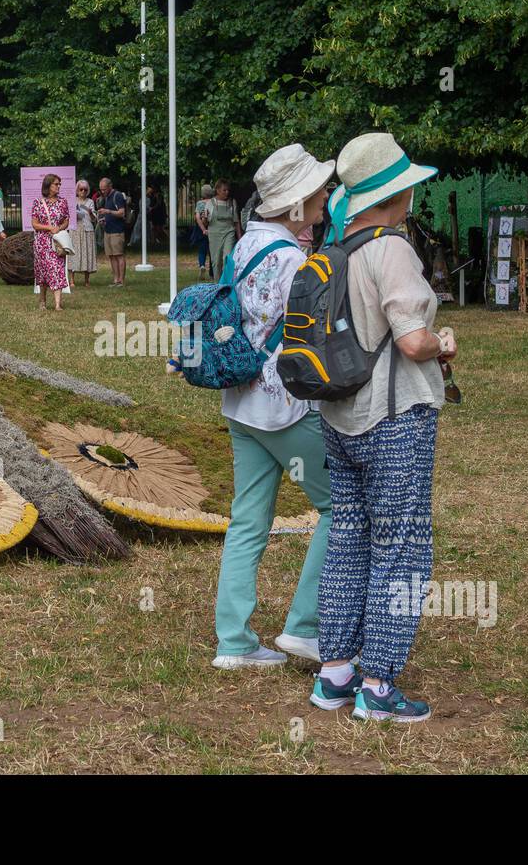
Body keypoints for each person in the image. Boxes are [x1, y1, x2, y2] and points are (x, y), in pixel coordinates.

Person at [309, 132, 451, 723]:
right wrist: (443, 343)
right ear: (398, 193)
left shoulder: (337, 248)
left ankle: (334, 673)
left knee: (349, 537)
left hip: (340, 417)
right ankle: (379, 686)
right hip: (395, 419)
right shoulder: (391, 249)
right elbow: (413, 338)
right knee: (402, 548)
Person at [212, 144, 336, 670]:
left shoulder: (243, 247)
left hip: (241, 404)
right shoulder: (294, 261)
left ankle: (234, 641)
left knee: (246, 522)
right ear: (295, 206)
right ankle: (305, 628)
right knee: (342, 508)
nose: (324, 199)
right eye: (317, 194)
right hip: (286, 407)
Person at [30, 173, 70, 310]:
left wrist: (59, 228)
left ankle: (58, 304)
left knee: (57, 269)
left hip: (57, 242)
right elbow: (34, 224)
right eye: (56, 184)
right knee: (43, 271)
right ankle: (42, 300)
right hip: (42, 242)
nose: (59, 186)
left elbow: (66, 220)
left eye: (60, 184)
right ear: (48, 185)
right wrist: (49, 227)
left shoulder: (63, 202)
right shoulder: (38, 202)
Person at [96, 177, 127, 287]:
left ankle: (121, 281)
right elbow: (111, 214)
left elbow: (122, 213)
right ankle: (115, 280)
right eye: (101, 189)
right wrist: (104, 219)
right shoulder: (107, 197)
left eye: (104, 189)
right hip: (108, 230)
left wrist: (107, 211)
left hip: (117, 231)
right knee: (111, 256)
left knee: (119, 255)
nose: (102, 191)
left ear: (110, 186)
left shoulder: (117, 196)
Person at [204, 179, 240, 271]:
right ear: (218, 190)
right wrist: (204, 218)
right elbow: (206, 223)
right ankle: (218, 284)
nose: (227, 192)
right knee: (216, 262)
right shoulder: (210, 203)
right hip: (214, 234)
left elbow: (236, 221)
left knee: (227, 259)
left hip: (229, 233)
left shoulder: (232, 202)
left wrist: (240, 237)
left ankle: (226, 283)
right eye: (224, 190)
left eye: (228, 190)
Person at [69, 179, 98, 286]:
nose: (83, 192)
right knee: (73, 254)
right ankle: (72, 280)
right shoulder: (72, 201)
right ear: (77, 190)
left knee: (87, 253)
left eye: (85, 190)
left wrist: (90, 213)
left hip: (87, 230)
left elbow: (94, 219)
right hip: (75, 230)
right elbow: (67, 216)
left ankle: (87, 280)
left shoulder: (90, 202)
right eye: (81, 189)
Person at [192, 183, 214, 279]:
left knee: (202, 249)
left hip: (201, 230)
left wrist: (203, 229)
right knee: (212, 251)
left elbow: (197, 217)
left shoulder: (200, 203)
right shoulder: (214, 202)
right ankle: (212, 272)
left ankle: (202, 265)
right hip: (213, 228)